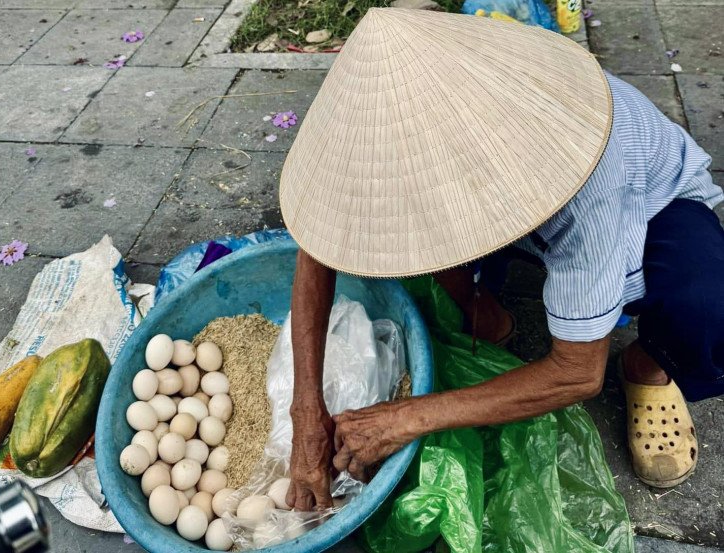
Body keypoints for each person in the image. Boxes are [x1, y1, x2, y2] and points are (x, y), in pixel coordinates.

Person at [277, 8, 724, 511]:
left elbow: (578, 373)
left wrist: (407, 418)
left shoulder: (591, 182)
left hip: (656, 205)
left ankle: (649, 365)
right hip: (518, 201)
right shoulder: (368, 121)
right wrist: (305, 410)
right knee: (409, 225)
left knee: (705, 305)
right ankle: (486, 312)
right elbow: (318, 246)